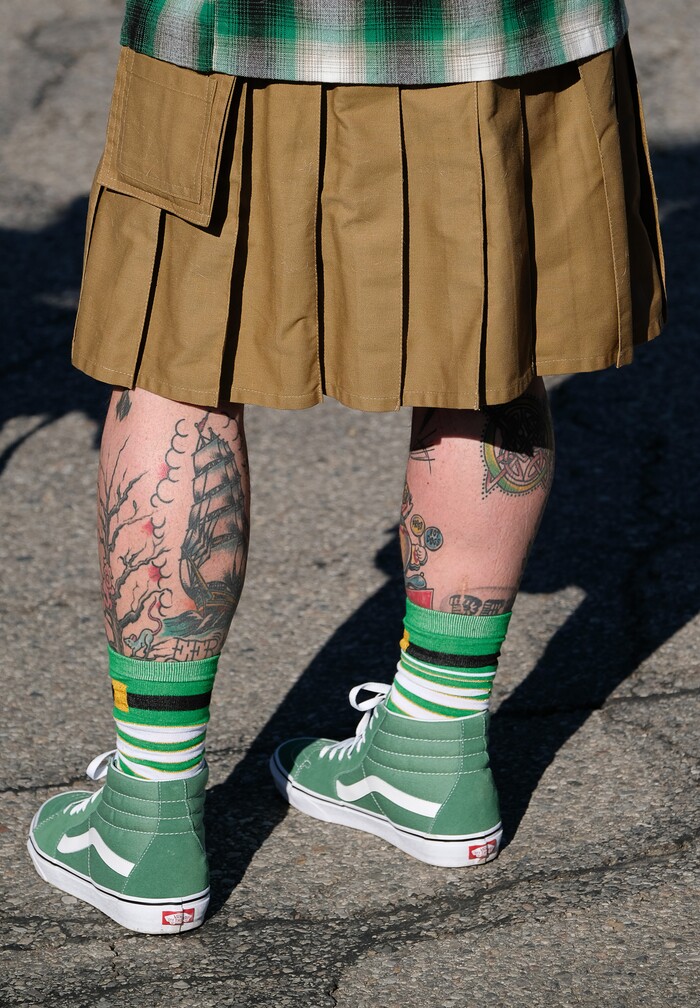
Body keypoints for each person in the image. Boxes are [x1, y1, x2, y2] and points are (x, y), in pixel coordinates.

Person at [27, 0, 665, 934]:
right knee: (491, 337)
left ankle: (145, 821)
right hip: (488, 24)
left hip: (246, 27)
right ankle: (436, 753)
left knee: (176, 356)